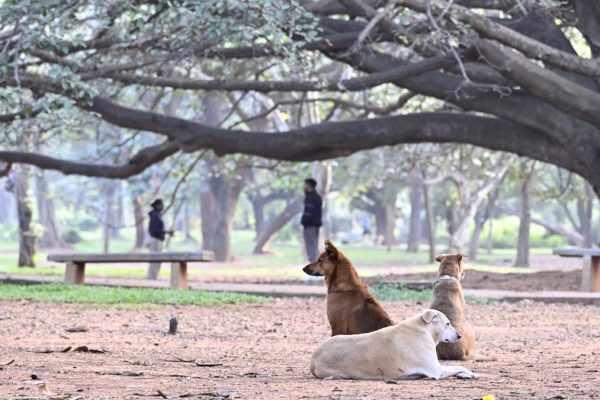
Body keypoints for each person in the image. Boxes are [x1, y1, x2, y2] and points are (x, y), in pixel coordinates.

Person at [147, 199, 173, 280]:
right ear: (157, 205)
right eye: (161, 205)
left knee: (158, 259)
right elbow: (154, 230)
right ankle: (151, 277)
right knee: (154, 258)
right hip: (155, 239)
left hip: (159, 239)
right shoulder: (154, 216)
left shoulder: (158, 215)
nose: (162, 206)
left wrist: (166, 232)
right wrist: (167, 232)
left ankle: (155, 275)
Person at [301, 178, 322, 262]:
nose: (303, 187)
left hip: (310, 225)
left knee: (310, 247)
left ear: (308, 186)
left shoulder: (311, 198)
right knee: (314, 246)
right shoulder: (317, 197)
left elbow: (308, 213)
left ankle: (313, 269)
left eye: (304, 185)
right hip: (316, 225)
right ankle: (314, 267)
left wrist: (304, 222)